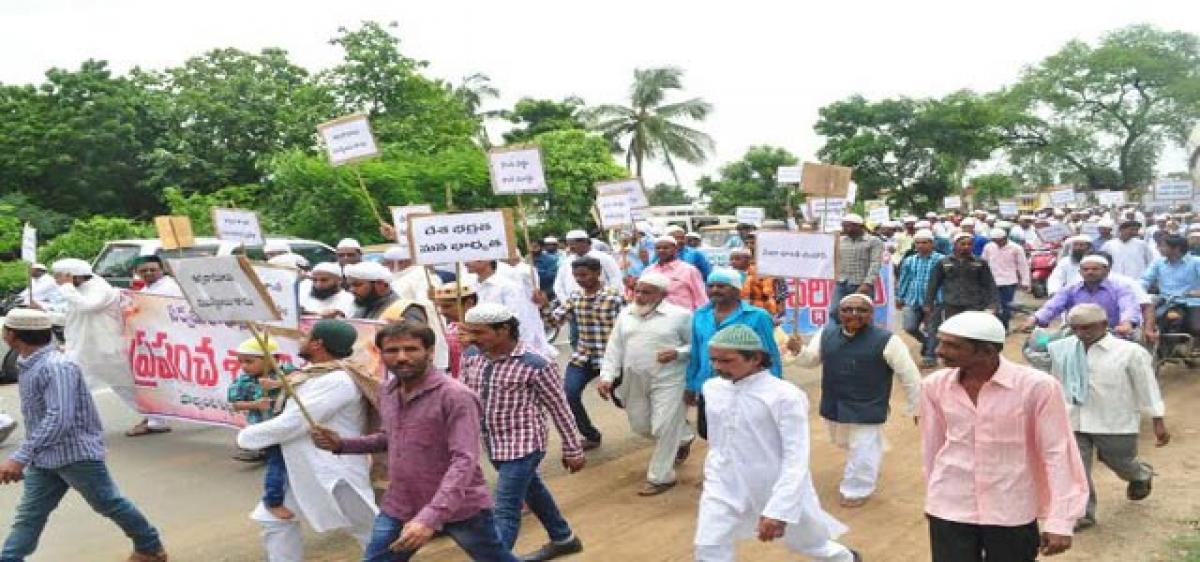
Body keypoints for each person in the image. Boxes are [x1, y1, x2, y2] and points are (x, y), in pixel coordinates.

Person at [310, 322, 516, 562]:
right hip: (400, 503)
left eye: (411, 349)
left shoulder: (455, 396)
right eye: (392, 350)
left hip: (459, 506)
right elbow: (390, 438)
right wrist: (342, 445)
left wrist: (430, 517)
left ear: (429, 352)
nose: (401, 357)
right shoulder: (387, 391)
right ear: (381, 354)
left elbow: (464, 460)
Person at [0, 309, 168, 562]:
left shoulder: (58, 367)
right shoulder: (29, 365)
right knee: (29, 515)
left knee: (108, 503)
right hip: (44, 458)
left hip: (75, 454)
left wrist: (20, 456)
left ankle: (149, 546)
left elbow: (59, 417)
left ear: (11, 335)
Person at [920, 311, 1088, 561]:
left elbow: (1058, 452)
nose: (940, 350)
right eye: (941, 341)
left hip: (1012, 507)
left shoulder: (1037, 387)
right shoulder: (934, 386)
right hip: (951, 503)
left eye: (952, 345)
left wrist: (1061, 520)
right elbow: (933, 446)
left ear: (987, 351)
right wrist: (933, 498)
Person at [694, 324, 860, 562]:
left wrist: (779, 508)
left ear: (756, 358)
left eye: (727, 361)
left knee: (810, 543)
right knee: (709, 545)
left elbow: (796, 456)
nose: (717, 367)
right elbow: (718, 440)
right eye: (713, 360)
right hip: (723, 484)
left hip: (772, 483)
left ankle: (845, 558)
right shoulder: (712, 389)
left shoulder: (785, 396)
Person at [236, 319, 379, 562]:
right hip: (302, 467)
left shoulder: (337, 380)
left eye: (306, 336)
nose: (300, 341)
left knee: (370, 530)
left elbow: (294, 422)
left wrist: (247, 437)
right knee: (274, 519)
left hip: (334, 471)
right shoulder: (312, 375)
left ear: (317, 344)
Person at [460, 304, 587, 561]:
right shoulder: (472, 355)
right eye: (469, 332)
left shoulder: (536, 363)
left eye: (478, 332)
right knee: (532, 490)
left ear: (504, 330)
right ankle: (563, 538)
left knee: (505, 507)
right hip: (493, 444)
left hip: (525, 445)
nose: (471, 338)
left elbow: (559, 407)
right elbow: (463, 397)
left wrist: (572, 448)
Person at [785, 294, 920, 508]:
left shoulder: (887, 340)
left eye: (861, 310)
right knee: (846, 442)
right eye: (847, 310)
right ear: (839, 313)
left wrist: (917, 406)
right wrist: (798, 350)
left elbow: (909, 375)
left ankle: (857, 488)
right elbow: (811, 360)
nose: (854, 315)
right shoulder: (827, 334)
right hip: (835, 402)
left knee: (862, 447)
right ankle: (869, 456)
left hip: (868, 404)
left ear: (871, 314)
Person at [1046, 304, 1169, 531]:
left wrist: (1157, 419)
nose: (1082, 333)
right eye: (1077, 328)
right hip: (1074, 418)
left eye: (1088, 328)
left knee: (1120, 461)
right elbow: (1055, 382)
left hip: (1114, 419)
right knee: (1076, 469)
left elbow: (1147, 386)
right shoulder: (1061, 349)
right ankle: (1082, 514)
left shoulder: (1129, 352)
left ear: (1103, 325)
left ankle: (1140, 474)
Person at [596, 272, 694, 495]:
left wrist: (677, 353)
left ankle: (661, 477)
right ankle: (685, 436)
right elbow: (615, 348)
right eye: (637, 291)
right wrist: (607, 377)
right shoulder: (626, 314)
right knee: (640, 426)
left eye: (646, 292)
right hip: (634, 378)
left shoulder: (681, 315)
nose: (639, 296)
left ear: (663, 294)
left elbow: (696, 346)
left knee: (663, 427)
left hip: (670, 378)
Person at [51, 258, 158, 438]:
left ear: (72, 276)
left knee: (125, 386)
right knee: (71, 386)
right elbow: (74, 317)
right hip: (82, 350)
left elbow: (87, 307)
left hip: (105, 349)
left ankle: (156, 418)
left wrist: (67, 287)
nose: (57, 281)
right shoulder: (77, 290)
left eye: (60, 277)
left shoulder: (100, 288)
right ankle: (72, 427)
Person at [686, 269, 782, 439]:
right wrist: (690, 385)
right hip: (707, 386)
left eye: (722, 286)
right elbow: (695, 351)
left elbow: (770, 354)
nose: (715, 290)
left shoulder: (757, 316)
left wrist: (775, 388)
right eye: (711, 286)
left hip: (746, 386)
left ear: (736, 290)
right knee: (708, 432)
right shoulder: (700, 315)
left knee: (743, 433)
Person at [549, 257, 625, 450]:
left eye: (584, 275)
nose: (580, 279)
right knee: (569, 394)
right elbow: (554, 321)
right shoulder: (575, 297)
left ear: (597, 273)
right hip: (583, 356)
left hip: (611, 359)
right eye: (576, 276)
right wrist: (542, 306)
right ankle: (590, 435)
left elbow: (630, 326)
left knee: (623, 401)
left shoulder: (614, 297)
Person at [228, 337, 293, 521]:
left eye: (249, 361)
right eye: (241, 362)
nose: (244, 366)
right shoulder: (243, 382)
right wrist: (256, 404)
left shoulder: (286, 371)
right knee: (277, 463)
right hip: (267, 430)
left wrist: (279, 384)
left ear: (272, 359)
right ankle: (273, 501)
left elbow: (302, 379)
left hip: (291, 426)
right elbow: (235, 404)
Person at [1023, 255, 1141, 336]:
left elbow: (1129, 307)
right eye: (1086, 269)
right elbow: (1053, 305)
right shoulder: (1071, 288)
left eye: (1095, 269)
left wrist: (1126, 323)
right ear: (1080, 272)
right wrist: (1035, 319)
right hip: (1076, 335)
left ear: (1106, 271)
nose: (1090, 272)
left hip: (1112, 335)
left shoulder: (1120, 288)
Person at [467, 259, 556, 359]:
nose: (466, 263)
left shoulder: (507, 286)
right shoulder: (469, 287)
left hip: (505, 346)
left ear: (486, 260)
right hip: (481, 346)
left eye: (471, 259)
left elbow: (517, 319)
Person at [924, 233, 997, 336]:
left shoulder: (980, 263)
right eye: (962, 244)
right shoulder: (944, 262)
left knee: (972, 332)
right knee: (955, 332)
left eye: (969, 244)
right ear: (955, 245)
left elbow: (989, 284)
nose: (966, 247)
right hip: (952, 304)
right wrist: (928, 303)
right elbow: (933, 284)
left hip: (975, 305)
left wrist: (993, 304)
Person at [895, 229, 943, 368]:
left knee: (933, 328)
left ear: (932, 244)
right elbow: (904, 279)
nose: (921, 245)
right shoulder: (909, 260)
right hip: (913, 298)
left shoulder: (941, 260)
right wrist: (900, 297)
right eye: (918, 243)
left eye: (924, 242)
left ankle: (930, 356)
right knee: (909, 327)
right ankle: (928, 343)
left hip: (935, 300)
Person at [830, 214, 883, 315]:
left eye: (848, 226)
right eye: (844, 226)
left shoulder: (874, 241)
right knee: (835, 312)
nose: (845, 229)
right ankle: (838, 331)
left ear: (860, 226)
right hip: (842, 283)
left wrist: (867, 283)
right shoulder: (840, 241)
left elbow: (875, 263)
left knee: (862, 314)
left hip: (861, 284)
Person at [980, 228, 1030, 330]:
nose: (997, 243)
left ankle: (1004, 327)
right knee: (992, 306)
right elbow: (983, 263)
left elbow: (1023, 265)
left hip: (1009, 282)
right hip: (992, 281)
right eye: (995, 241)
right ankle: (994, 327)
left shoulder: (1016, 248)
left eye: (999, 241)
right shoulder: (988, 247)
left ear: (1005, 238)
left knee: (1006, 306)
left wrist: (1025, 281)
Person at [643, 235, 708, 310]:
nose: (661, 250)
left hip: (684, 318)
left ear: (675, 249)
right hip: (654, 317)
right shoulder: (648, 271)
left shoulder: (689, 270)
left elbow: (701, 297)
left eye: (665, 248)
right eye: (658, 248)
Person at [431, 283, 478, 379]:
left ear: (469, 303)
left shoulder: (484, 331)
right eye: (439, 307)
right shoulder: (449, 329)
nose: (441, 312)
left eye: (447, 306)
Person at [729, 247, 778, 316]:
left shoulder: (760, 272)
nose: (733, 261)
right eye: (731, 259)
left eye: (737, 259)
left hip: (760, 309)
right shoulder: (728, 275)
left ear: (748, 260)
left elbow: (767, 293)